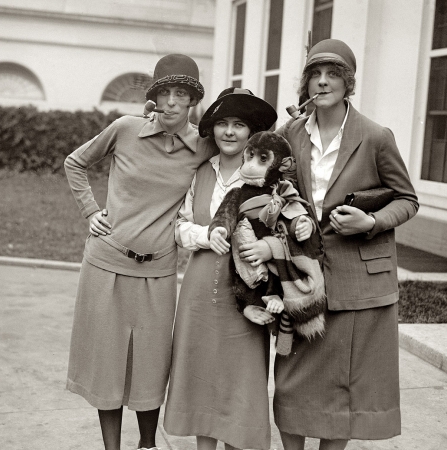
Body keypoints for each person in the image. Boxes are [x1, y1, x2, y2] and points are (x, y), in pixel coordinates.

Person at [267, 39, 419, 450]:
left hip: (360, 280)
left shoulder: (375, 136)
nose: (322, 82)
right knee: (290, 384)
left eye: (333, 74)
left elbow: (407, 200)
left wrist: (370, 221)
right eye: (315, 74)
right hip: (303, 279)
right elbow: (269, 183)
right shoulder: (291, 133)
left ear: (347, 83)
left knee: (346, 389)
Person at [64, 54, 216, 450]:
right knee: (106, 363)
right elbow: (75, 162)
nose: (170, 102)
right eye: (163, 92)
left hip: (158, 270)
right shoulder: (125, 129)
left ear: (192, 101)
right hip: (105, 263)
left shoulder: (203, 145)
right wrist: (91, 211)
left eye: (180, 94)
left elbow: (246, 142)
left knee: (150, 364)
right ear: (153, 97)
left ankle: (147, 445)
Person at [163, 87, 311, 450]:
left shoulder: (266, 177)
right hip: (200, 283)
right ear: (212, 129)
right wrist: (204, 235)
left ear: (252, 133)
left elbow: (289, 230)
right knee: (200, 373)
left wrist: (267, 247)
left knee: (241, 375)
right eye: (223, 124)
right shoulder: (199, 172)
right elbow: (178, 225)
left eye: (239, 125)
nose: (229, 132)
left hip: (251, 286)